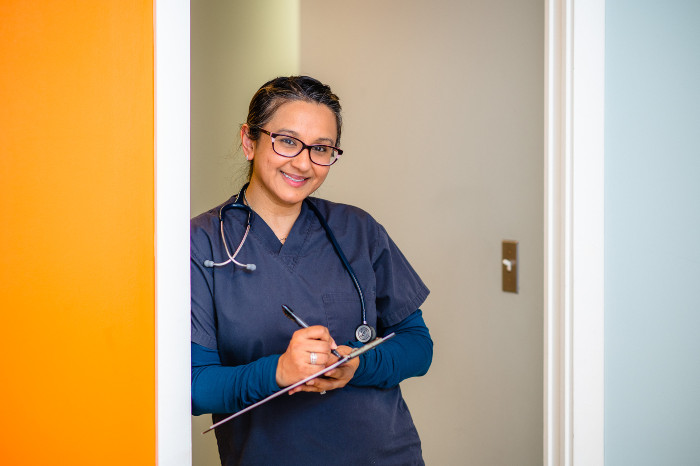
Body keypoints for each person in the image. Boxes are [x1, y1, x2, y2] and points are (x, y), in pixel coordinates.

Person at [190, 76, 433, 465]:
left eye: (321, 148)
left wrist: (357, 364)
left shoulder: (358, 230)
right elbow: (195, 387)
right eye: (287, 141)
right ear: (249, 141)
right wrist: (279, 371)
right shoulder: (201, 242)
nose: (303, 163)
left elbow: (418, 346)